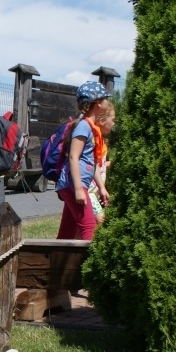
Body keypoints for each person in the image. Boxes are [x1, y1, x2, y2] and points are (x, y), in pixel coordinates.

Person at [56, 81, 111, 240]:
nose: (108, 101)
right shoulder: (84, 127)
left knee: (67, 232)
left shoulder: (92, 128)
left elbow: (91, 162)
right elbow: (73, 156)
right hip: (74, 186)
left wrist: (101, 187)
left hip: (74, 186)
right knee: (90, 229)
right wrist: (79, 189)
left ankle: (57, 263)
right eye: (105, 98)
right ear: (98, 103)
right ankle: (89, 264)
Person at [88, 105, 115, 224]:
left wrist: (113, 163)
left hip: (94, 191)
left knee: (77, 231)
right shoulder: (95, 138)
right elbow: (94, 164)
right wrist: (102, 188)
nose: (114, 123)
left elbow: (101, 165)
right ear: (103, 121)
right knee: (102, 221)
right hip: (89, 190)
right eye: (113, 120)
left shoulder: (101, 139)